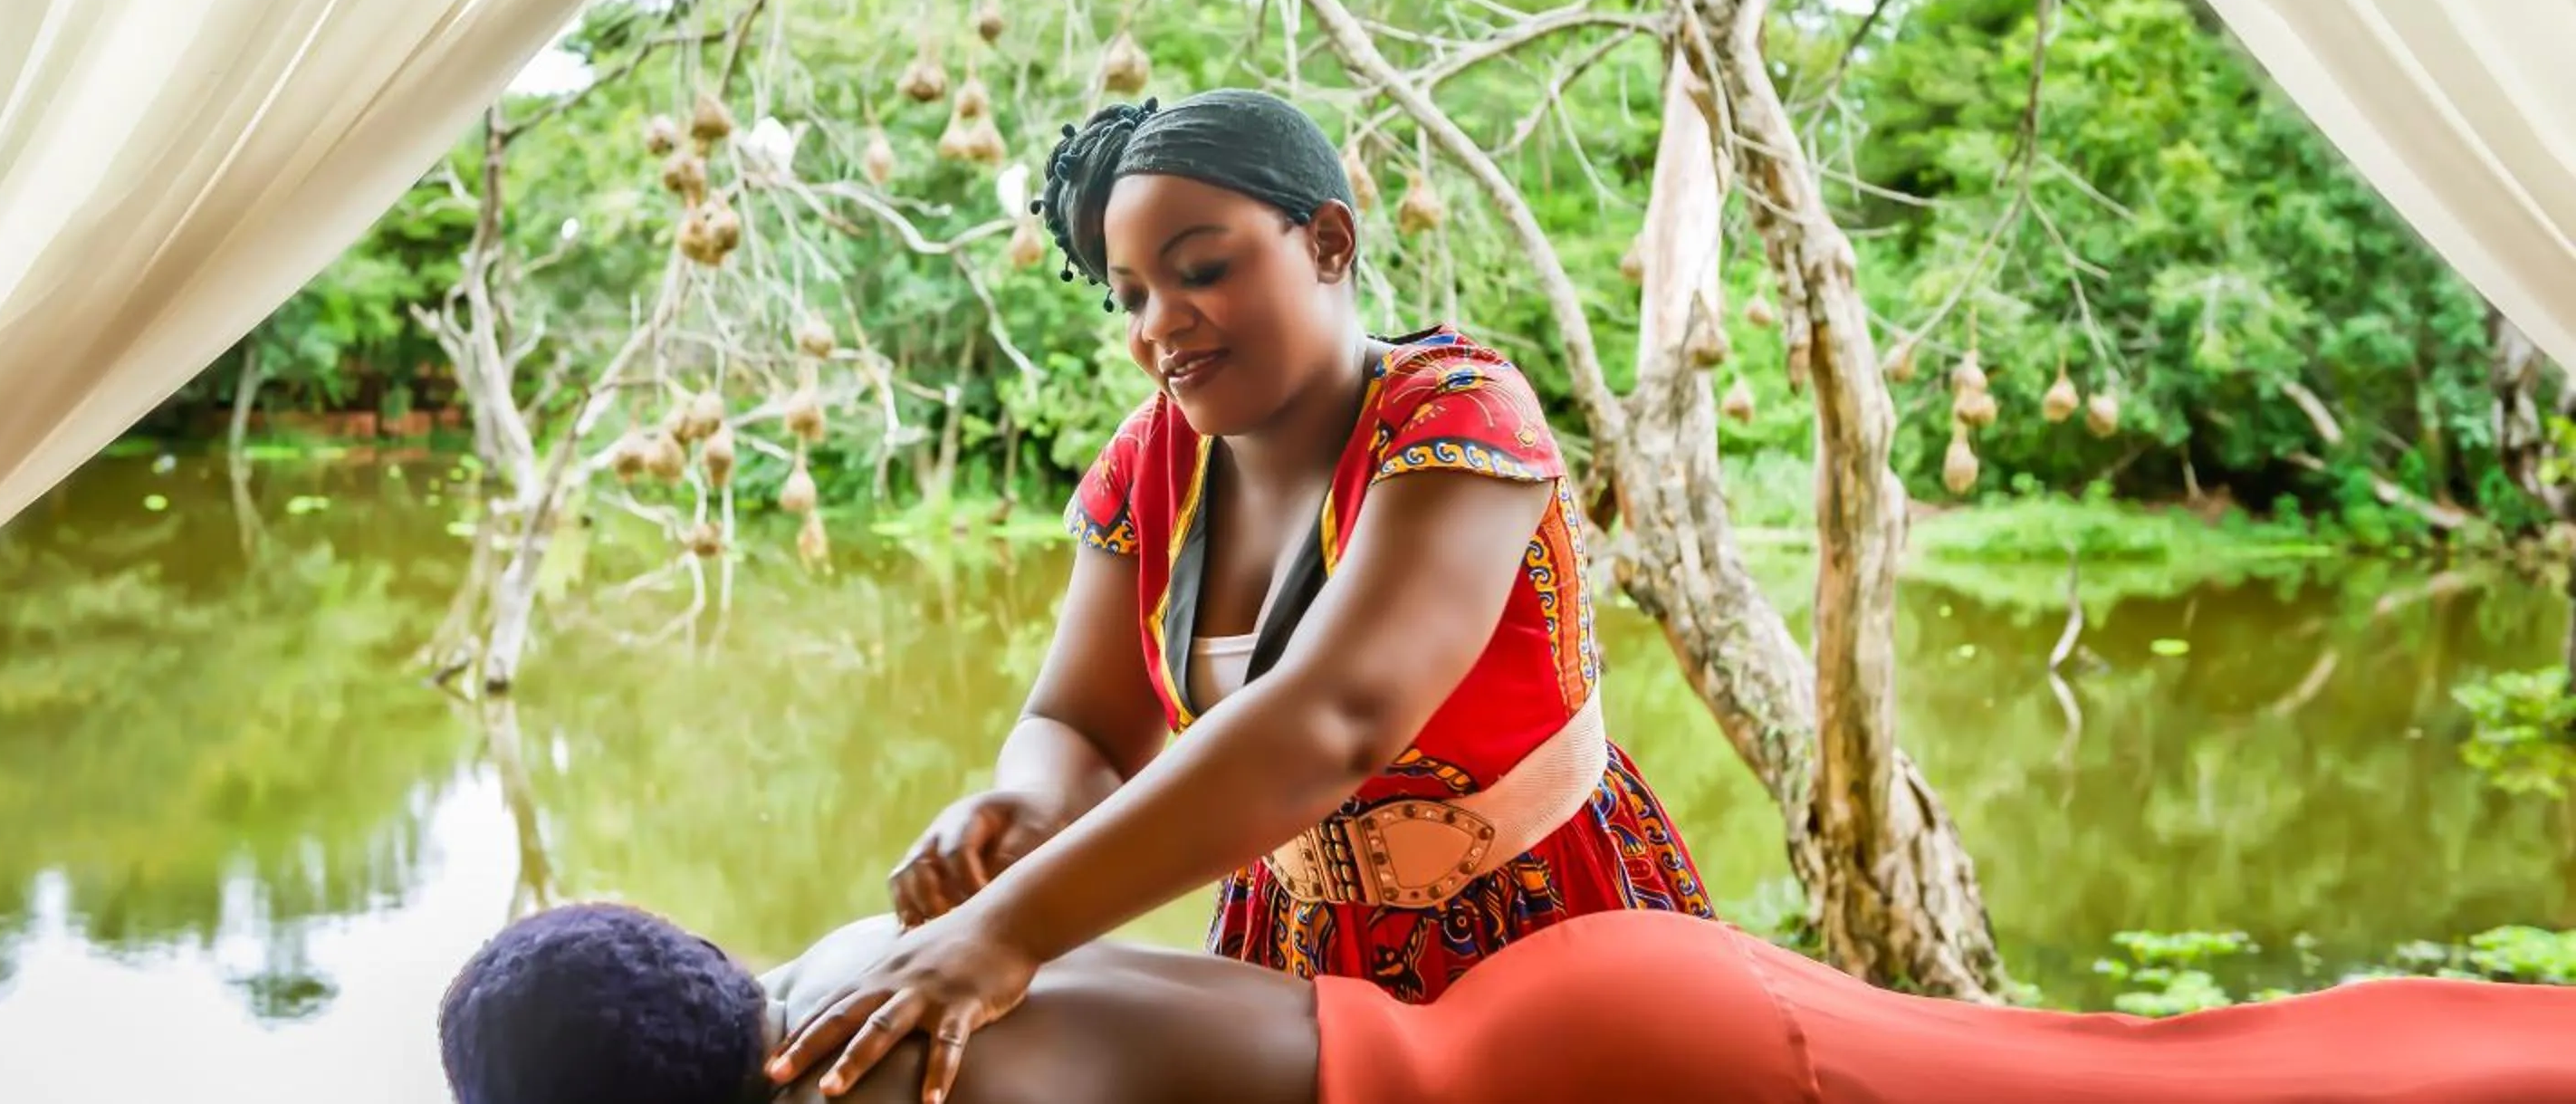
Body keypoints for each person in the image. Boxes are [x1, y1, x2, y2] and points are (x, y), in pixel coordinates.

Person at [777, 89, 1713, 1098]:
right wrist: (1025, 805)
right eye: (1129, 293)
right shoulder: (1150, 461)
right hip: (1284, 936)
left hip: (1540, 920)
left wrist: (1005, 929)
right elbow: (1082, 723)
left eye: (1202, 269)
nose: (1158, 325)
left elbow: (1332, 719)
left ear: (1328, 241)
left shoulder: (1459, 416)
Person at [440, 900, 2576, 1104]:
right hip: (1570, 1001)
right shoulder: (845, 976)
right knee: (2127, 1071)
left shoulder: (863, 1099)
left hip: (1621, 1078)